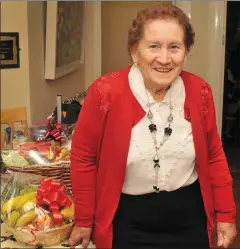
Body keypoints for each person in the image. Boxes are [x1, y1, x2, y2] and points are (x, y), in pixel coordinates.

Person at [69, 4, 237, 249]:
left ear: (186, 52)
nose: (165, 59)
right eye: (154, 46)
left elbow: (213, 156)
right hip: (126, 224)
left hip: (190, 222)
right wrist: (84, 219)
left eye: (174, 47)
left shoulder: (200, 91)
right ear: (134, 52)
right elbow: (83, 158)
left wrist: (226, 214)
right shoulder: (105, 92)